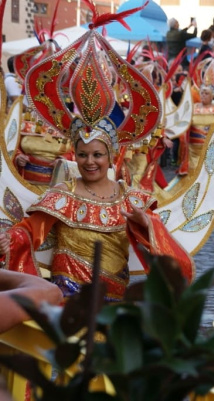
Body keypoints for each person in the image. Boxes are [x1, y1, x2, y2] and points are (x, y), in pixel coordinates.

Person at [0, 29, 195, 302]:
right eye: (82, 155)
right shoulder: (62, 196)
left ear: (111, 155)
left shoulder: (130, 200)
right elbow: (29, 231)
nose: (89, 162)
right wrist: (11, 238)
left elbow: (171, 262)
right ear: (74, 155)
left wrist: (147, 225)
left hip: (113, 307)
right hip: (67, 305)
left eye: (97, 155)